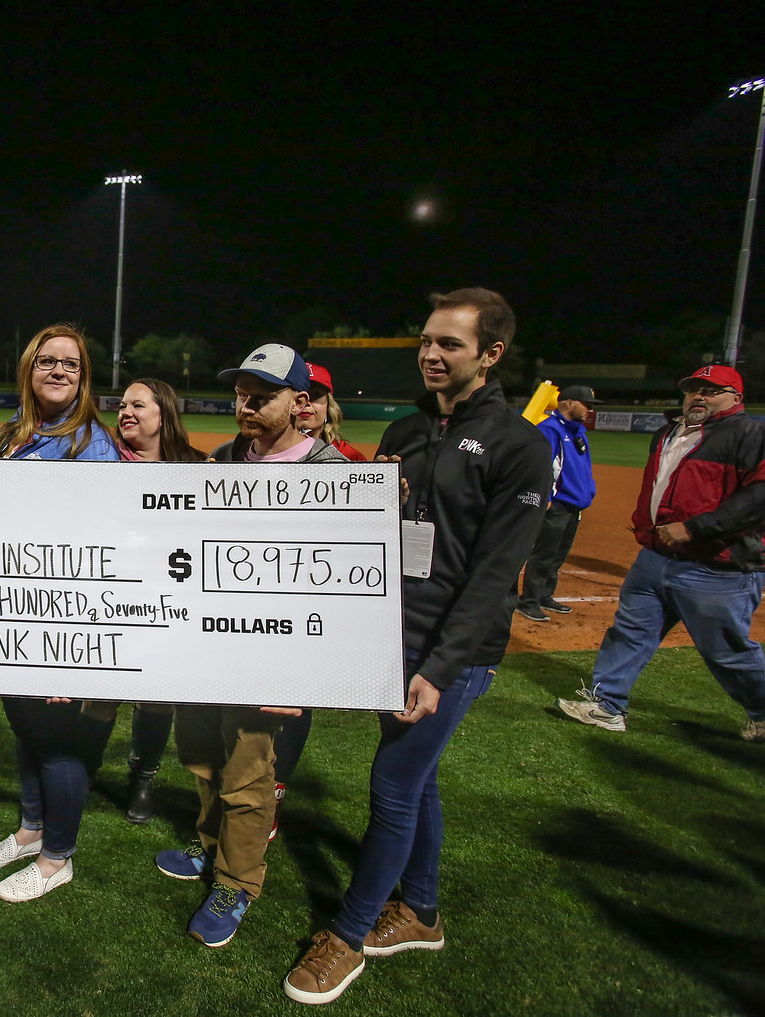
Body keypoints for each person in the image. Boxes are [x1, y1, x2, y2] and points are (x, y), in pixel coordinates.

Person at [283, 289, 550, 1004]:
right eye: (427, 341)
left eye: (450, 345)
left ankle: (349, 934)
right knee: (418, 780)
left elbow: (496, 577)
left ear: (491, 355)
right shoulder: (404, 430)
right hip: (388, 639)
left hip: (450, 657)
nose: (431, 354)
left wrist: (437, 669)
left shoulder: (520, 446)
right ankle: (422, 912)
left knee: (394, 786)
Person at [156, 344, 339, 948]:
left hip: (275, 656)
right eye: (242, 393)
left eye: (264, 395)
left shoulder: (332, 473)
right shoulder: (226, 459)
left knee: (249, 774)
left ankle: (237, 881)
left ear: (300, 402)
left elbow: (344, 589)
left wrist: (305, 677)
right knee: (204, 756)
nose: (249, 405)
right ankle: (210, 846)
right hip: (211, 647)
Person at [556, 364, 765, 740]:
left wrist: (697, 528)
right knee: (630, 632)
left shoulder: (755, 436)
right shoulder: (669, 432)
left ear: (736, 398)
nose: (699, 396)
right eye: (693, 389)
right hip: (656, 557)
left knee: (725, 652)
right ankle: (607, 705)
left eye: (711, 390)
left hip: (718, 566)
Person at [0, 323, 119, 903]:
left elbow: (106, 547)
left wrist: (74, 651)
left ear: (84, 378)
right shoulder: (14, 434)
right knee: (24, 726)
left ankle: (58, 855)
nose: (59, 372)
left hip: (59, 619)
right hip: (10, 610)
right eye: (47, 362)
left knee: (57, 739)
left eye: (71, 364)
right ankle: (33, 828)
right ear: (28, 370)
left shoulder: (93, 444)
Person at [94, 378, 205, 825]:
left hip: (167, 602)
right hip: (109, 596)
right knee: (98, 693)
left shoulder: (198, 469)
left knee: (156, 698)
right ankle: (84, 767)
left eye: (138, 405)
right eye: (122, 405)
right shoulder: (103, 462)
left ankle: (142, 778)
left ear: (164, 414)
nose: (126, 412)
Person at [515, 385, 601, 621]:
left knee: (559, 554)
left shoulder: (578, 432)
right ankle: (529, 600)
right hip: (558, 504)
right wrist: (547, 497)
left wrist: (588, 492)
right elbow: (542, 467)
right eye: (587, 404)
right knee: (544, 553)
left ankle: (544, 595)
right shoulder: (549, 430)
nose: (591, 410)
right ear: (569, 403)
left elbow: (584, 466)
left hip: (574, 505)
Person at [297, 363, 367, 461]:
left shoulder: (350, 457)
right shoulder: (268, 452)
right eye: (298, 394)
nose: (306, 402)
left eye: (316, 394)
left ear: (329, 404)